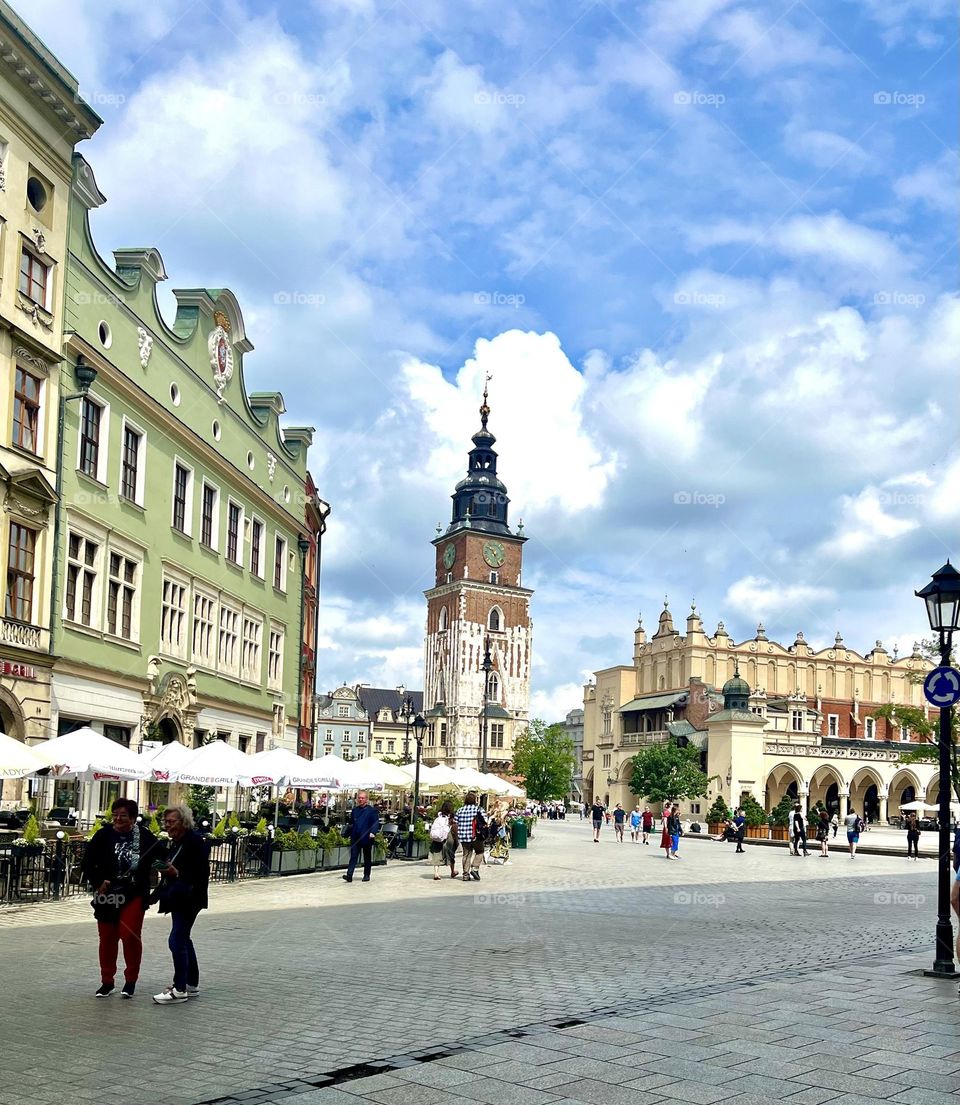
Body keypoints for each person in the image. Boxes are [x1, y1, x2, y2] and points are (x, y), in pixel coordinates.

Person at [81, 797, 161, 998]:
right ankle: (107, 981)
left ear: (133, 818)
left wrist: (162, 880)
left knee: (130, 935)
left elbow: (161, 858)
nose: (118, 819)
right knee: (107, 938)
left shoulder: (144, 836)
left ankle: (130, 980)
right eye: (115, 815)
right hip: (108, 894)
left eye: (123, 816)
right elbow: (87, 863)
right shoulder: (103, 835)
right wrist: (98, 881)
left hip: (133, 892)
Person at [152, 804, 210, 1005]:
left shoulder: (194, 841)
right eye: (166, 822)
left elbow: (200, 873)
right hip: (177, 897)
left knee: (176, 940)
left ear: (183, 821)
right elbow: (168, 872)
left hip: (189, 898)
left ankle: (179, 989)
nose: (168, 826)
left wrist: (177, 873)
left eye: (172, 821)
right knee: (183, 939)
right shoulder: (176, 842)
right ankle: (191, 983)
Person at [343, 790, 380, 883]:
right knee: (354, 856)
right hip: (355, 836)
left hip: (366, 837)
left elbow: (375, 823)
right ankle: (349, 875)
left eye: (362, 798)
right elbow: (351, 823)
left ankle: (366, 875)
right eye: (359, 798)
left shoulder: (372, 811)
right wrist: (346, 834)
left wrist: (373, 832)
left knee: (367, 857)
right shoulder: (355, 810)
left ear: (366, 799)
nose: (360, 799)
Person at [455, 791, 484, 881]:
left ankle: (465, 875)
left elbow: (455, 823)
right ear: (475, 800)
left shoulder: (460, 810)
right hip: (475, 835)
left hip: (463, 836)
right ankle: (475, 868)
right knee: (480, 852)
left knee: (466, 855)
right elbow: (485, 821)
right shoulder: (478, 809)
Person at [429, 802, 453, 881]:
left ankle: (436, 873)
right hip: (444, 840)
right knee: (449, 855)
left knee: (436, 855)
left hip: (436, 839)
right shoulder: (449, 819)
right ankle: (452, 871)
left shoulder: (438, 818)